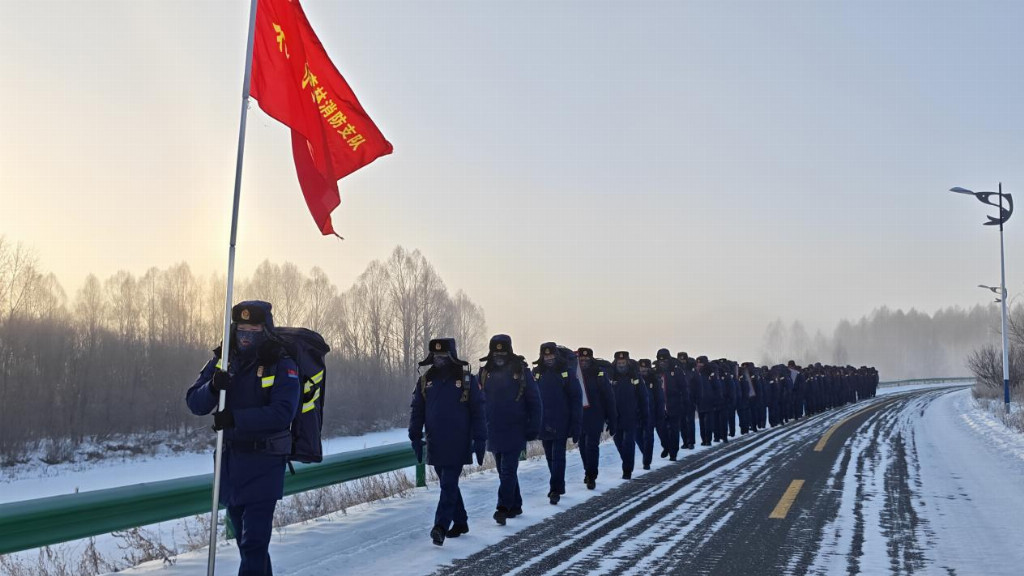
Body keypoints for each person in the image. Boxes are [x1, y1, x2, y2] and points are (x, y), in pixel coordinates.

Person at [186, 301, 299, 576]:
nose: (247, 334)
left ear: (266, 328)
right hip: (230, 463)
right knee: (246, 545)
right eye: (242, 328)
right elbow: (194, 402)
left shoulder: (281, 363)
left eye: (254, 328)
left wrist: (237, 418)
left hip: (265, 461)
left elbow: (283, 413)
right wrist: (213, 387)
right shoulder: (223, 360)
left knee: (254, 544)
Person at [409, 338, 486, 546]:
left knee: (449, 484)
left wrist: (480, 440)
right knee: (447, 484)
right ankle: (460, 522)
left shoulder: (466, 379)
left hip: (459, 442)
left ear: (452, 355)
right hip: (435, 442)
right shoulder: (426, 380)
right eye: (436, 356)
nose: (439, 359)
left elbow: (479, 411)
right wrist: (415, 436)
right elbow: (417, 410)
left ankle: (440, 527)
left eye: (444, 356)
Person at [479, 335, 542, 525]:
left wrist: (533, 428)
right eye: (496, 352)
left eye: (503, 352)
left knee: (507, 470)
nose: (499, 355)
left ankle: (502, 507)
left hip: (515, 429)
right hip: (493, 429)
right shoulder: (484, 372)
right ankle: (516, 504)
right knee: (503, 471)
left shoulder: (521, 371)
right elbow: (475, 401)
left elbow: (535, 402)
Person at [532, 342, 583, 505]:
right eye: (546, 356)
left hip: (562, 421)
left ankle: (554, 489)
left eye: (551, 355)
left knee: (558, 456)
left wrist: (576, 425)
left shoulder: (566, 372)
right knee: (549, 456)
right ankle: (558, 485)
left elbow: (576, 399)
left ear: (556, 355)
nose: (548, 358)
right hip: (543, 421)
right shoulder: (537, 372)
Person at [577, 347, 617, 490]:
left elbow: (609, 397)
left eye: (587, 359)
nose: (584, 362)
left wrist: (612, 419)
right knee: (582, 446)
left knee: (592, 446)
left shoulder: (599, 374)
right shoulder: (575, 374)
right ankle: (587, 471)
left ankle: (591, 476)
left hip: (595, 415)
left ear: (591, 359)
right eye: (581, 359)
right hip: (580, 416)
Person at [609, 351, 649, 479]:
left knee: (629, 443)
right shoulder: (611, 376)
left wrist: (644, 415)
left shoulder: (635, 377)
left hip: (632, 416)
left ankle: (627, 470)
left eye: (623, 362)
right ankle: (626, 460)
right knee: (618, 441)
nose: (621, 365)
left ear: (627, 362)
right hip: (616, 417)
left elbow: (643, 397)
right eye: (619, 363)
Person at [637, 359, 664, 470]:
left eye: (646, 368)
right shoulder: (635, 379)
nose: (643, 370)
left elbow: (659, 398)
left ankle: (647, 461)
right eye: (641, 368)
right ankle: (645, 452)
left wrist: (659, 413)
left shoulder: (654, 380)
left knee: (648, 436)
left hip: (650, 413)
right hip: (637, 413)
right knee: (637, 436)